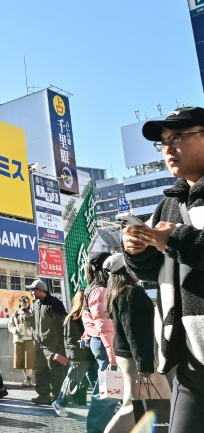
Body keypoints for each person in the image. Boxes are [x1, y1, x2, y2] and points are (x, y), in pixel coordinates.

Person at [123, 106, 204, 433]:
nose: (169, 148)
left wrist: (176, 238)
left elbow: (179, 243)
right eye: (164, 142)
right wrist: (138, 250)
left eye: (179, 137)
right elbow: (153, 270)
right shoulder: (169, 203)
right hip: (190, 361)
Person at [103, 254, 171, 432]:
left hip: (130, 356)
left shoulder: (119, 291)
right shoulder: (129, 292)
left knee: (137, 403)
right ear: (126, 270)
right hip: (137, 357)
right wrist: (145, 364)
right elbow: (135, 330)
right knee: (138, 405)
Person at [81, 252, 118, 433]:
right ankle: (96, 429)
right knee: (107, 393)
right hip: (106, 344)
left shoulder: (92, 287)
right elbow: (105, 325)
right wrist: (112, 355)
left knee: (110, 392)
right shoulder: (100, 289)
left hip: (101, 342)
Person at [52, 291, 95, 417]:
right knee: (72, 380)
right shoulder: (73, 317)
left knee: (97, 381)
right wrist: (74, 357)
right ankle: (59, 403)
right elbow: (70, 339)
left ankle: (109, 405)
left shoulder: (88, 315)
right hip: (81, 356)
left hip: (91, 354)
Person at [27, 279, 67, 406]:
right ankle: (43, 395)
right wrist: (28, 319)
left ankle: (57, 395)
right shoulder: (35, 305)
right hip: (38, 343)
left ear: (41, 290)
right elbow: (33, 324)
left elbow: (62, 324)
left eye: (33, 290)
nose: (31, 293)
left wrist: (59, 343)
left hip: (52, 344)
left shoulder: (55, 303)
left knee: (55, 370)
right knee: (40, 370)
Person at [7, 295, 35, 387]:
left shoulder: (31, 313)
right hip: (18, 338)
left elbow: (35, 323)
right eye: (23, 301)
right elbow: (10, 325)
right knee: (21, 360)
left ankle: (28, 379)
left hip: (29, 338)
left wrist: (27, 314)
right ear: (20, 303)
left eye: (26, 302)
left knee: (29, 360)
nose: (24, 303)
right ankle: (27, 379)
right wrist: (16, 330)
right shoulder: (15, 313)